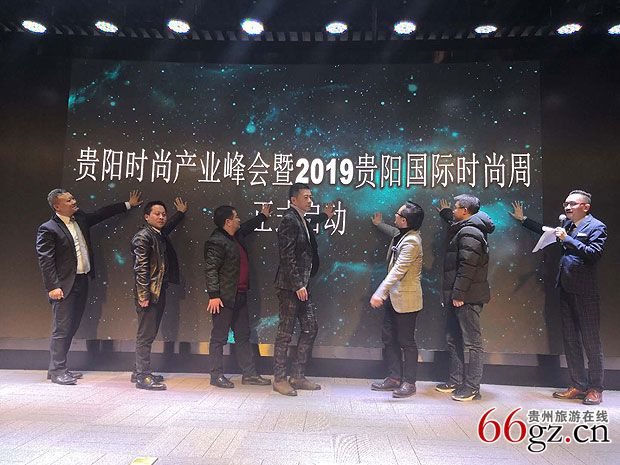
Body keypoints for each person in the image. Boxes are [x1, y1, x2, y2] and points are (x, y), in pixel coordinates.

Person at [509, 190, 607, 405]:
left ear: (585, 207)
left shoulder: (596, 226)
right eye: (566, 204)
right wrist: (524, 220)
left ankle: (596, 388)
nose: (568, 207)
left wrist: (568, 239)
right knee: (571, 341)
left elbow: (594, 254)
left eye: (573, 204)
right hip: (565, 288)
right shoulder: (568, 225)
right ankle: (578, 384)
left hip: (585, 292)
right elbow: (548, 232)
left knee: (591, 341)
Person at [36, 189, 142, 385]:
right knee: (62, 328)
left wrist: (127, 205)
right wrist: (53, 286)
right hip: (63, 285)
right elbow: (46, 260)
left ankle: (58, 367)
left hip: (82, 280)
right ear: (57, 206)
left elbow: (101, 214)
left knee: (72, 325)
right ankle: (57, 370)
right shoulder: (48, 228)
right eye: (68, 200)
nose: (73, 201)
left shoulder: (80, 219)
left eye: (73, 198)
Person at [272, 183, 334, 396]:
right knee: (285, 333)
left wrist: (325, 216)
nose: (310, 200)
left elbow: (310, 223)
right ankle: (279, 379)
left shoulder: (300, 218)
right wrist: (298, 284)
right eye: (306, 197)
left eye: (311, 197)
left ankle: (297, 376)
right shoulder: (289, 220)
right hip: (290, 287)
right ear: (293, 200)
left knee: (310, 328)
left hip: (302, 286)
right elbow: (286, 256)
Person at [205, 204, 273, 389]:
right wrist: (213, 295)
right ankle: (216, 375)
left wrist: (262, 216)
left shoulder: (236, 235)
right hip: (224, 298)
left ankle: (249, 374)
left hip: (240, 296)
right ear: (228, 222)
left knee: (243, 336)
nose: (239, 219)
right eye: (236, 217)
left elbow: (247, 226)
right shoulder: (216, 241)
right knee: (219, 337)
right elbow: (211, 270)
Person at [435, 195, 495, 401]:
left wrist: (459, 293)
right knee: (453, 337)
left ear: (465, 211)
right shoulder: (467, 227)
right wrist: (445, 214)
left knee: (472, 342)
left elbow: (468, 265)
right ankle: (456, 380)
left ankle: (472, 387)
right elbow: (454, 224)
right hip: (459, 295)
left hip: (466, 297)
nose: (453, 210)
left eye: (455, 208)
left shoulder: (470, 231)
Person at [131, 197, 188, 390]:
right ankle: (143, 376)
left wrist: (179, 214)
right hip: (149, 293)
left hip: (157, 290)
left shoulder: (157, 234)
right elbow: (141, 268)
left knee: (149, 333)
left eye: (164, 214)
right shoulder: (143, 237)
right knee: (146, 335)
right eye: (157, 214)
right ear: (147, 216)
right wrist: (143, 295)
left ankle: (139, 371)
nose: (162, 217)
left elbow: (168, 226)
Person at [369, 201, 424, 398]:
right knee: (389, 338)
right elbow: (393, 231)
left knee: (406, 342)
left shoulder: (412, 242)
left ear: (405, 220)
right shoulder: (402, 234)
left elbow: (398, 270)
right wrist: (379, 224)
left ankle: (409, 382)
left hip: (406, 300)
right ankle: (394, 377)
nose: (395, 216)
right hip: (394, 299)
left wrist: (380, 293)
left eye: (398, 214)